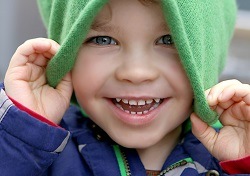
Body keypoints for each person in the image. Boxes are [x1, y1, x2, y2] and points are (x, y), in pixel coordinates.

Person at [1, 0, 250, 175]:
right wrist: (25, 130)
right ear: (66, 53)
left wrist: (243, 164)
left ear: (207, 57)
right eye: (103, 40)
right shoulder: (38, 148)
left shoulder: (233, 153)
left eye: (168, 40)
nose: (136, 73)